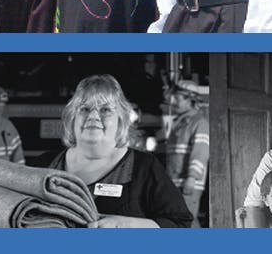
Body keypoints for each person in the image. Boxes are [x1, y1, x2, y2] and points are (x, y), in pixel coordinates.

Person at [47, 74, 193, 227]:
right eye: (84, 109)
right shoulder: (45, 165)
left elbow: (180, 224)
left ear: (121, 120)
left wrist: (124, 224)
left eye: (105, 110)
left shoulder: (143, 167)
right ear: (72, 117)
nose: (93, 116)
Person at [164, 80, 209, 224]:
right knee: (178, 221)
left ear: (190, 100)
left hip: (188, 182)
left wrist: (192, 177)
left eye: (178, 98)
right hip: (175, 180)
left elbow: (201, 152)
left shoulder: (199, 122)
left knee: (186, 220)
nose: (173, 101)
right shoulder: (180, 122)